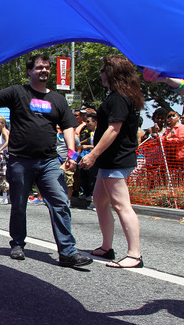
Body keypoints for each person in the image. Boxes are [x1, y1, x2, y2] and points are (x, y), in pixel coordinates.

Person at [0, 54, 92, 267]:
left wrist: (72, 153)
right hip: (20, 161)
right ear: (30, 71)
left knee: (60, 203)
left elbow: (69, 126)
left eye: (47, 68)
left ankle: (68, 252)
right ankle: (17, 244)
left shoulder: (58, 100)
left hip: (49, 161)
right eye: (40, 67)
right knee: (19, 205)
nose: (44, 71)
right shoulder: (17, 92)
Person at [80, 56, 144, 268]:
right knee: (100, 200)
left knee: (121, 205)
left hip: (116, 159)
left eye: (103, 69)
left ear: (113, 73)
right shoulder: (124, 96)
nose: (100, 73)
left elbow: (113, 129)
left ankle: (134, 255)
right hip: (112, 160)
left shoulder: (118, 97)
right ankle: (107, 247)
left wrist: (93, 154)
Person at [0, 116, 11, 204]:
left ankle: (4, 198)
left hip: (3, 156)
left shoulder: (4, 131)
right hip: (3, 155)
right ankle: (7, 197)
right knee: (4, 176)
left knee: (3, 175)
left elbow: (8, 141)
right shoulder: (3, 132)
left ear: (3, 123)